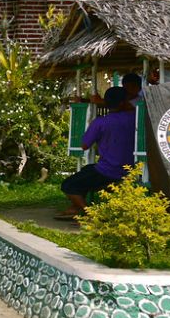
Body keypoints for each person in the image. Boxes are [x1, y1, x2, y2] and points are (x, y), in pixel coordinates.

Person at [57, 86, 135, 220]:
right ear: (124, 102)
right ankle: (75, 208)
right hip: (132, 168)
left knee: (68, 185)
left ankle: (89, 212)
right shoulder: (134, 118)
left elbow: (84, 145)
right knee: (87, 170)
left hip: (108, 170)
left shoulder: (100, 122)